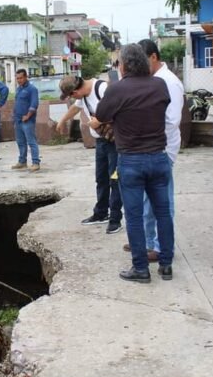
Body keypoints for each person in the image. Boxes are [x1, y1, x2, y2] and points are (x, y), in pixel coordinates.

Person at [96, 44, 173, 283]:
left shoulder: (117, 90)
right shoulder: (159, 85)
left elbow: (100, 117)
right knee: (163, 213)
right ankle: (166, 265)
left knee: (135, 216)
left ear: (124, 65)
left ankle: (141, 269)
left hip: (131, 159)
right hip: (160, 157)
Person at [120, 39, 183, 262]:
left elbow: (172, 120)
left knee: (163, 202)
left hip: (162, 149)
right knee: (147, 200)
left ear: (153, 57)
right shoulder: (153, 81)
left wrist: (144, 132)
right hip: (149, 148)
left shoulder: (168, 82)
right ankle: (147, 242)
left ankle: (161, 247)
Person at [57, 74, 123, 234]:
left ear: (75, 91)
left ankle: (115, 219)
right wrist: (62, 120)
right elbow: (76, 108)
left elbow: (121, 109)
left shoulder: (102, 89)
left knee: (115, 180)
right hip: (101, 142)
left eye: (71, 96)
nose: (73, 99)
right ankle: (101, 213)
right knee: (101, 179)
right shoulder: (83, 96)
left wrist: (99, 121)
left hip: (114, 143)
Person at [11, 69, 40, 172]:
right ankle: (22, 162)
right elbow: (16, 104)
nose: (19, 80)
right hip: (18, 120)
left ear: (26, 77)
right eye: (17, 78)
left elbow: (34, 104)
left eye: (21, 78)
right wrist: (13, 117)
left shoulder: (32, 89)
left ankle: (36, 163)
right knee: (20, 142)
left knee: (31, 142)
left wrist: (28, 115)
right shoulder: (19, 89)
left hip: (27, 121)